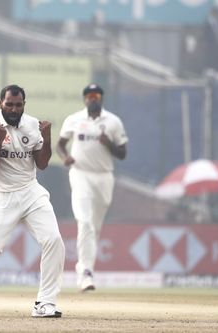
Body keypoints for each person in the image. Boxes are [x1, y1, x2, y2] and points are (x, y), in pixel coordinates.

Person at [0, 84, 65, 318]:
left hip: (30, 192)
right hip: (0, 195)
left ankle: (45, 303)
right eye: (9, 104)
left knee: (54, 240)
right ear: (0, 103)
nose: (13, 108)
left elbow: (42, 164)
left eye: (18, 105)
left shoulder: (32, 124)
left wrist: (47, 138)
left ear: (24, 105)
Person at [56, 83, 128, 292]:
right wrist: (65, 157)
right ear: (84, 99)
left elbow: (123, 153)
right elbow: (60, 145)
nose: (92, 99)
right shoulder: (74, 119)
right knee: (84, 222)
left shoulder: (113, 122)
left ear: (101, 98)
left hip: (104, 177)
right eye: (89, 96)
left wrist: (108, 144)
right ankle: (85, 273)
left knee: (94, 229)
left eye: (96, 95)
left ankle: (85, 267)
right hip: (80, 174)